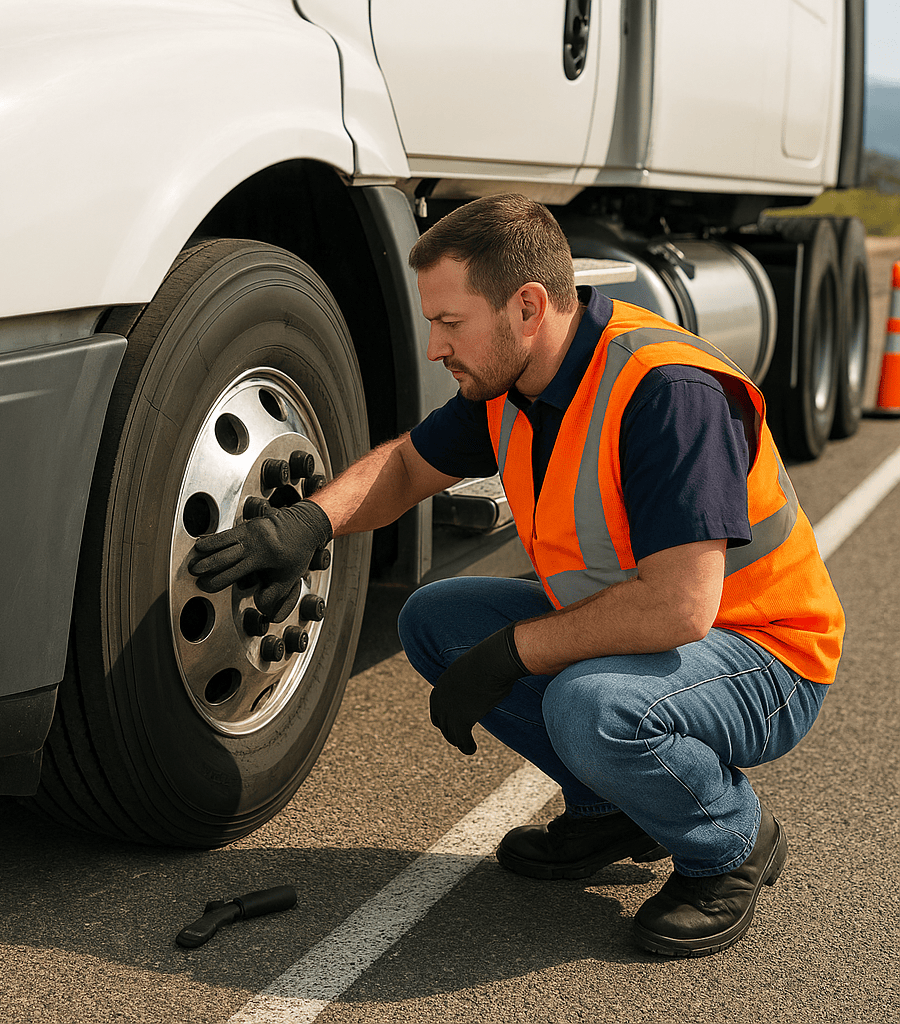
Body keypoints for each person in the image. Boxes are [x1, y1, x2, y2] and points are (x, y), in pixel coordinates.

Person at [187, 193, 845, 958]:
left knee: (591, 706)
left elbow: (679, 609)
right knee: (435, 621)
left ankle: (731, 843)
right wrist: (308, 523)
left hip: (766, 654)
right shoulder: (511, 382)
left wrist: (513, 654)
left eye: (449, 322)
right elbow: (405, 465)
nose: (434, 346)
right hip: (646, 627)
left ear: (527, 307)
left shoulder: (668, 393)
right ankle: (611, 811)